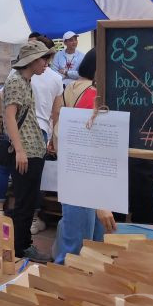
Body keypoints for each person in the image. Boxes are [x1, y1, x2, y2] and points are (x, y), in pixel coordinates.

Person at [53, 48, 116, 263]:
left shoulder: (71, 87)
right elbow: (86, 149)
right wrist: (100, 200)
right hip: (85, 181)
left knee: (78, 243)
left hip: (77, 177)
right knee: (78, 250)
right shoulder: (93, 96)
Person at [4, 40, 55, 263]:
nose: (46, 64)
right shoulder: (16, 81)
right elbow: (9, 117)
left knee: (28, 199)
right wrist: (20, 150)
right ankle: (21, 247)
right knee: (24, 202)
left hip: (33, 149)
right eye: (44, 59)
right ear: (33, 60)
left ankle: (23, 245)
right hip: (26, 151)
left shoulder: (25, 80)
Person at [28, 35, 64, 235]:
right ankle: (35, 218)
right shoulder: (56, 79)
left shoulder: (21, 74)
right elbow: (57, 112)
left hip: (22, 130)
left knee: (25, 177)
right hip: (41, 130)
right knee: (38, 177)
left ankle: (27, 217)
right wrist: (53, 138)